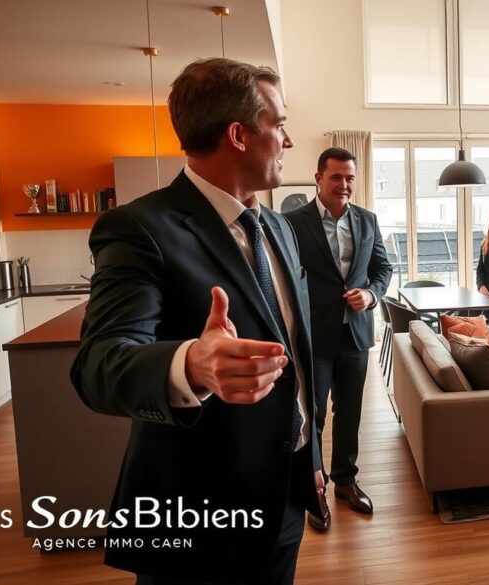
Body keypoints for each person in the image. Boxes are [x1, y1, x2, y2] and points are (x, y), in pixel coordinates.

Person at [71, 58, 322, 585]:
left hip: (285, 498)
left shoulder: (279, 226)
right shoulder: (139, 228)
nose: (289, 141)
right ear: (238, 134)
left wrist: (311, 459)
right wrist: (191, 365)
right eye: (279, 124)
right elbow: (98, 365)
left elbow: (296, 356)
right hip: (197, 521)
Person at [285, 147, 392, 532]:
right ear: (318, 178)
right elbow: (284, 276)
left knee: (350, 413)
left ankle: (345, 480)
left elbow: (383, 268)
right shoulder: (292, 222)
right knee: (310, 416)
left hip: (356, 334)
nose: (344, 185)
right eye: (336, 177)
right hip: (313, 337)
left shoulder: (367, 220)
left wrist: (371, 295)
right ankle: (313, 488)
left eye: (349, 177)